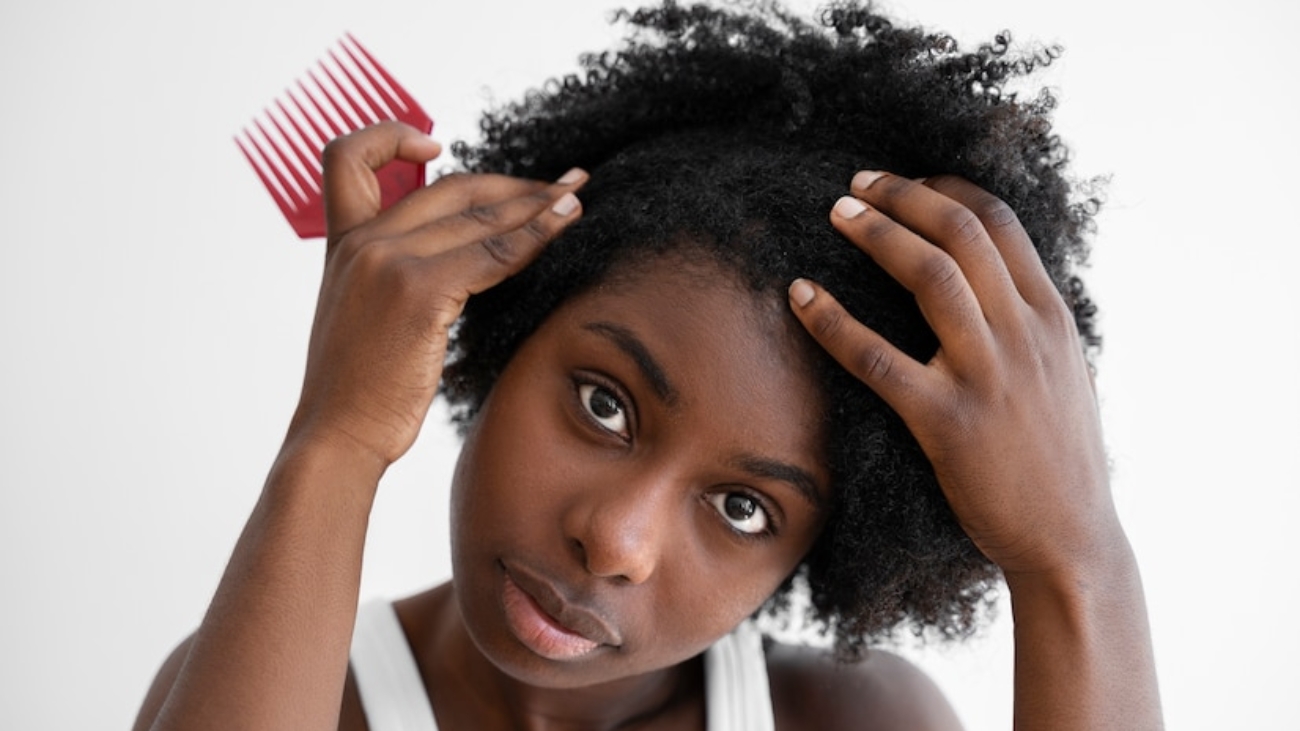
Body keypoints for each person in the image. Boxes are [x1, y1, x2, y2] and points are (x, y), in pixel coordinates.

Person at [133, 1, 1163, 729]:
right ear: (505, 323)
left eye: (745, 508)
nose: (616, 540)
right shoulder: (284, 692)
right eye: (604, 403)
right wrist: (338, 437)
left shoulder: (851, 719)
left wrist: (1074, 559)